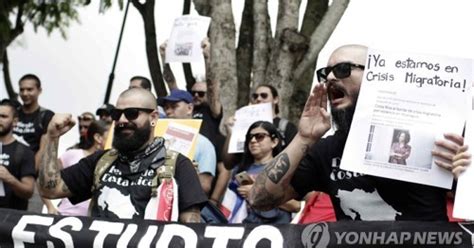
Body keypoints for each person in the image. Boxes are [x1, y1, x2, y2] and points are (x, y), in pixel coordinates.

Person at [248, 44, 465, 221]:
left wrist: (464, 175)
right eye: (325, 73)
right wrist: (304, 137)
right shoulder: (326, 150)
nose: (330, 77)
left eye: (343, 69)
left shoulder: (435, 138)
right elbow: (260, 199)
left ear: (376, 76)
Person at [38, 88, 206, 222]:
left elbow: (190, 230)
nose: (123, 120)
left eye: (132, 113)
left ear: (153, 117)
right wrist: (52, 137)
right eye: (117, 114)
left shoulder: (178, 165)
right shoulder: (101, 161)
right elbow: (50, 190)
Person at [221, 121, 300, 223]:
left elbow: (296, 206)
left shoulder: (285, 168)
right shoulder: (239, 170)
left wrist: (257, 193)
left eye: (260, 136)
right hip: (245, 228)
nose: (253, 141)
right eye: (250, 137)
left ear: (274, 142)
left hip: (277, 230)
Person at [159, 89, 217, 196]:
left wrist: (188, 174)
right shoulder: (157, 139)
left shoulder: (204, 144)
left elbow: (205, 186)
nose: (168, 111)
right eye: (166, 107)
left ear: (189, 108)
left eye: (174, 106)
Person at [12, 74, 55, 213]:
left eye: (29, 89)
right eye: (22, 89)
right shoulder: (13, 113)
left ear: (39, 90)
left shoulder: (46, 116)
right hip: (6, 171)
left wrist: (27, 172)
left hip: (32, 177)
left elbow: (43, 149)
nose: (25, 93)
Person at [53, 120, 110, 216]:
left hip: (92, 221)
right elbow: (46, 180)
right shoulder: (72, 154)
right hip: (66, 215)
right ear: (98, 138)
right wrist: (50, 207)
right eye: (111, 135)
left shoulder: (112, 163)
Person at [0, 99, 35, 210]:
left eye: (3, 116)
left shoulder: (24, 151)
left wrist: (9, 178)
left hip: (9, 219)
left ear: (15, 122)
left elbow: (28, 192)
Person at [251, 84, 298, 148]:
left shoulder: (287, 127)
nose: (258, 99)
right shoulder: (246, 125)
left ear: (275, 99)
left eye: (264, 95)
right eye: (255, 96)